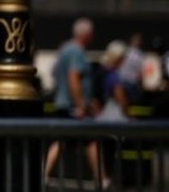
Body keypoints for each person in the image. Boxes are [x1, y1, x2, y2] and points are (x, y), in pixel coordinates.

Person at [44, 17, 108, 189]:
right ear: (86, 34)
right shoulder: (76, 52)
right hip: (73, 107)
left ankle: (43, 175)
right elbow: (73, 78)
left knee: (61, 140)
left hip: (65, 103)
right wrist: (81, 105)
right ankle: (102, 179)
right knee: (90, 140)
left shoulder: (65, 49)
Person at [118, 32, 145, 102]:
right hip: (130, 84)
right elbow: (140, 73)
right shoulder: (139, 55)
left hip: (123, 82)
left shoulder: (125, 51)